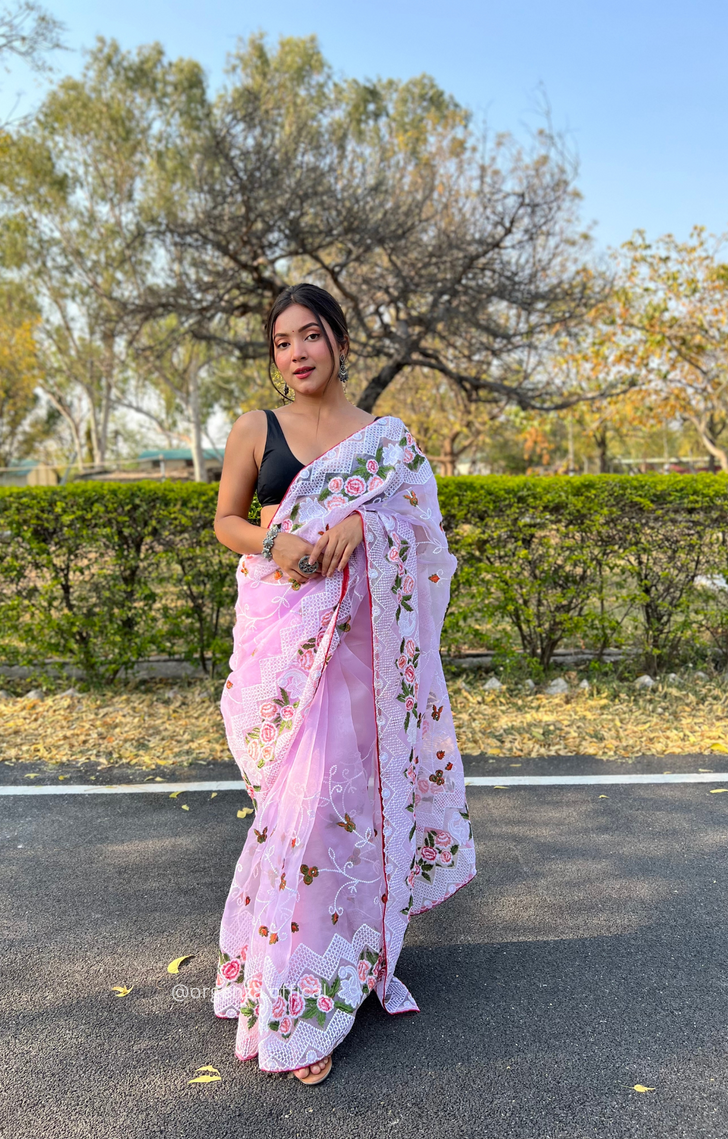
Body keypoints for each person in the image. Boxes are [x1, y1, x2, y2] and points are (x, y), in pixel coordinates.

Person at [212, 282, 476, 1085]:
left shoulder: (385, 441)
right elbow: (227, 521)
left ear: (340, 342)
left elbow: (423, 529)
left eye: (310, 335)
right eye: (282, 341)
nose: (296, 352)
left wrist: (366, 522)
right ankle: (297, 998)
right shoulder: (256, 428)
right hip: (289, 647)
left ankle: (347, 966)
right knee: (306, 813)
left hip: (365, 657)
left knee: (355, 810)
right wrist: (277, 541)